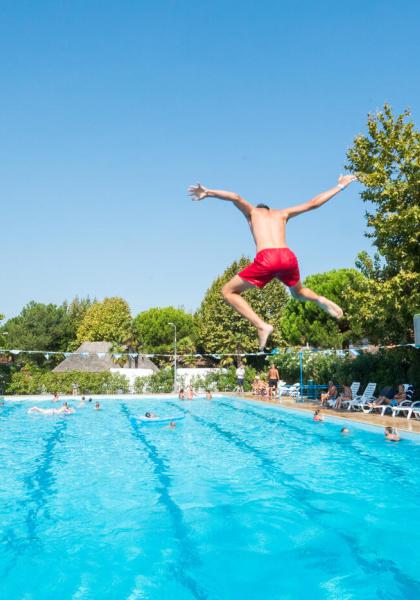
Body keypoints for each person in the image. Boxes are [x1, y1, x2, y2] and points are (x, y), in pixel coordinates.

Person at [188, 175, 357, 349]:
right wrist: (340, 186)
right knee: (298, 292)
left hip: (267, 258)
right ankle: (320, 299)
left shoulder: (252, 212)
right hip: (287, 256)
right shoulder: (282, 214)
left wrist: (208, 192)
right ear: (270, 210)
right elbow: (313, 203)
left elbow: (235, 197)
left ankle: (261, 325)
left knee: (228, 291)